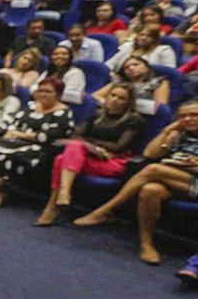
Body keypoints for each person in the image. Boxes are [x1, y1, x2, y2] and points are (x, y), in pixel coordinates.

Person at [75, 97, 198, 265]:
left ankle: (105, 210)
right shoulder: (180, 135)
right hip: (180, 181)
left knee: (153, 170)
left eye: (194, 115)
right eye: (182, 116)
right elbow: (150, 154)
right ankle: (147, 244)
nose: (187, 119)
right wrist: (167, 131)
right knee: (150, 190)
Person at [34, 84, 144, 226]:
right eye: (113, 95)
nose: (115, 100)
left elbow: (119, 147)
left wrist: (89, 144)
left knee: (64, 157)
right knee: (65, 155)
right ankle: (60, 198)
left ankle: (56, 202)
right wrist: (90, 147)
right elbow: (75, 135)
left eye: (121, 98)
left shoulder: (133, 120)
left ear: (128, 103)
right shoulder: (97, 115)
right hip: (90, 157)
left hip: (113, 161)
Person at [0, 77, 74, 208]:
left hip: (41, 147)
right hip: (16, 141)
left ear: (58, 94)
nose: (43, 94)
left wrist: (19, 134)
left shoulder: (64, 113)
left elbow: (48, 135)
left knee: (14, 156)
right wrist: (11, 131)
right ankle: (1, 192)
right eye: (40, 91)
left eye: (48, 92)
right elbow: (14, 122)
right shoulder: (31, 106)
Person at [93, 55, 168, 109]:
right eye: (126, 67)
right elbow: (95, 96)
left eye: (136, 65)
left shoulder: (158, 82)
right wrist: (110, 103)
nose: (131, 68)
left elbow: (160, 108)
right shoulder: (119, 82)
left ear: (147, 68)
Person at [105, 25, 176, 72]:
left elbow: (170, 71)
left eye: (149, 36)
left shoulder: (163, 50)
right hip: (120, 81)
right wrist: (111, 73)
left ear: (155, 38)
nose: (144, 38)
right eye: (141, 35)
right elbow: (109, 64)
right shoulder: (128, 47)